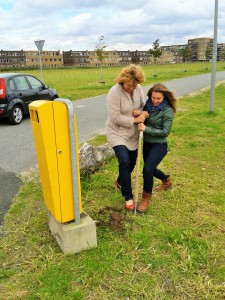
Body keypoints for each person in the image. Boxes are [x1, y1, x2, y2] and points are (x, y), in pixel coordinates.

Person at [106, 64, 148, 211]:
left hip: (133, 134)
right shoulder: (114, 92)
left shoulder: (138, 89)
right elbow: (115, 117)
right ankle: (128, 196)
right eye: (129, 85)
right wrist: (134, 120)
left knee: (131, 163)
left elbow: (143, 106)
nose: (132, 88)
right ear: (123, 80)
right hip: (117, 132)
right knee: (124, 161)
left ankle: (120, 180)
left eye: (134, 86)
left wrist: (141, 113)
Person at [137, 83, 177, 213]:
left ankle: (145, 199)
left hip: (159, 145)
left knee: (147, 170)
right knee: (151, 169)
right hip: (147, 144)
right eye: (153, 97)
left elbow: (165, 132)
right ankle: (166, 181)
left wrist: (146, 128)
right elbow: (142, 117)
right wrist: (140, 114)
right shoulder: (148, 105)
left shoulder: (168, 111)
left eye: (158, 99)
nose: (155, 101)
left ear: (164, 97)